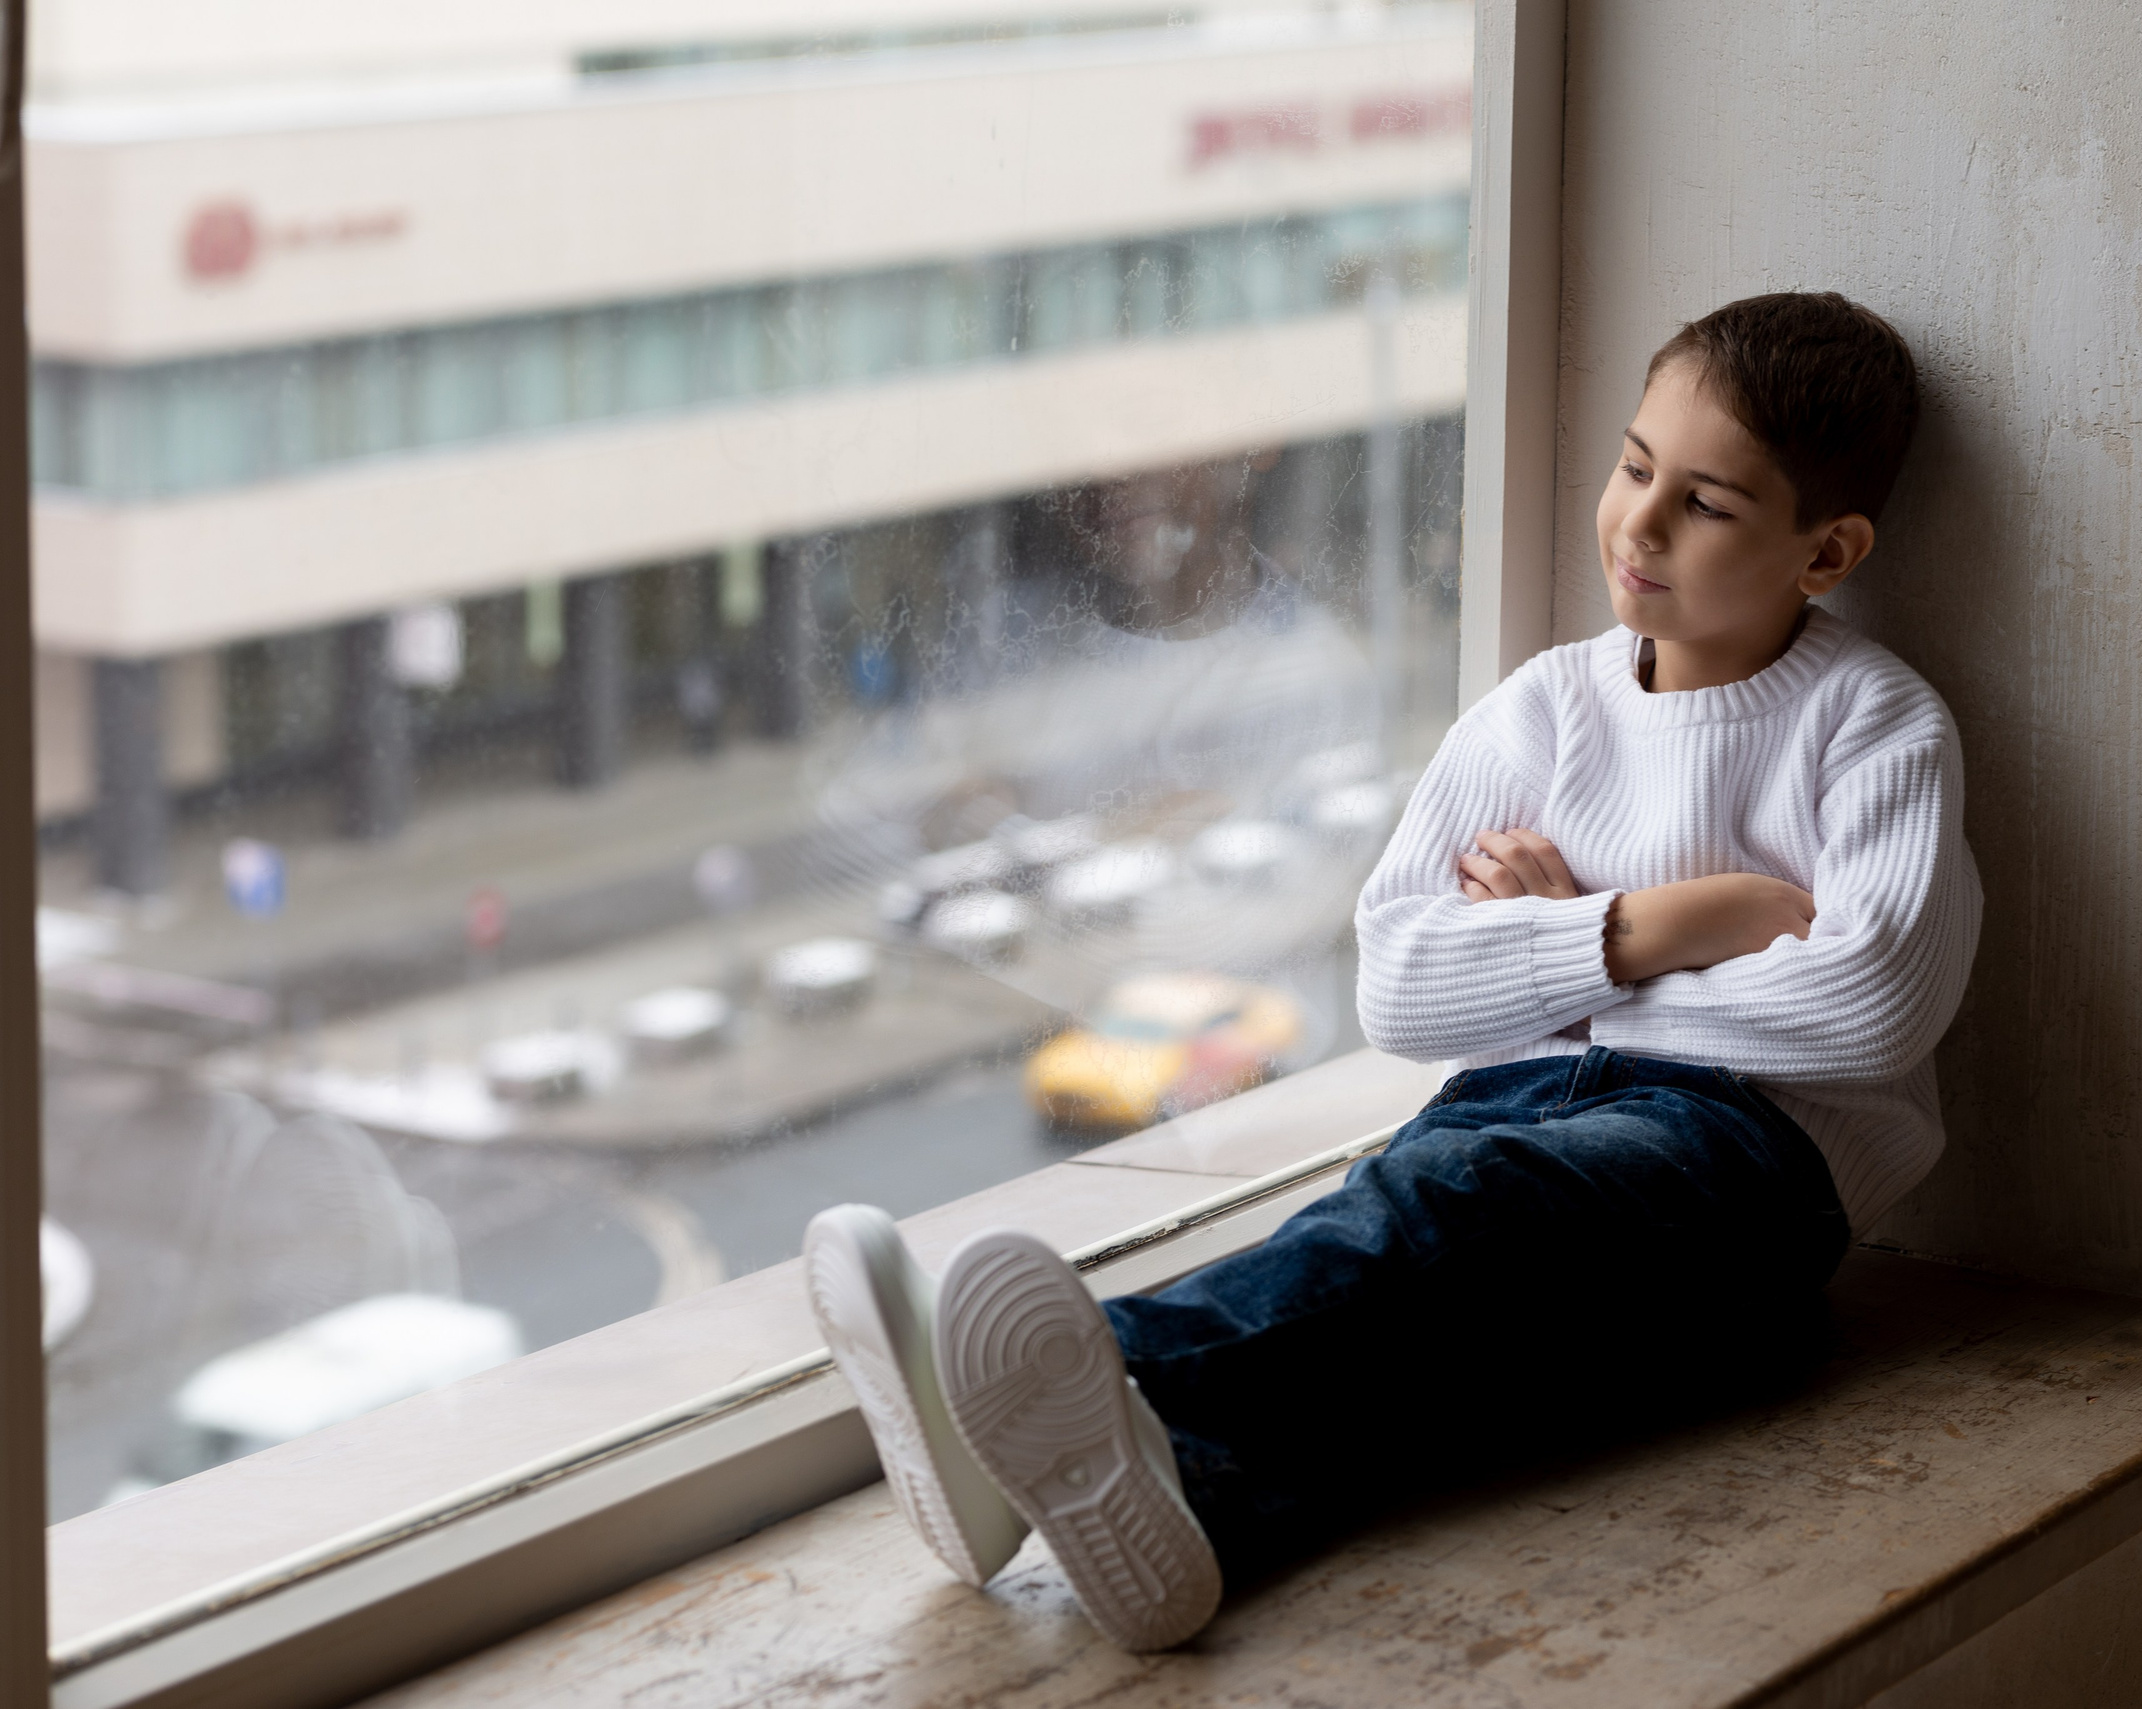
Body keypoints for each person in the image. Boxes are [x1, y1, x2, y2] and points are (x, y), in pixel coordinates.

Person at [804, 291, 1984, 1653]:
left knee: (1450, 1204)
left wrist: (1543, 956)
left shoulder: (1876, 725)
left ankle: (1042, 1386)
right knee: (1421, 1311)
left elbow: (1871, 1001)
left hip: (1746, 1176)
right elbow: (1400, 986)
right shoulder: (1543, 707)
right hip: (1510, 1113)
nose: (1639, 524)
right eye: (1633, 465)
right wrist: (1653, 923)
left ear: (1825, 549)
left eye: (1706, 505)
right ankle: (1191, 1510)